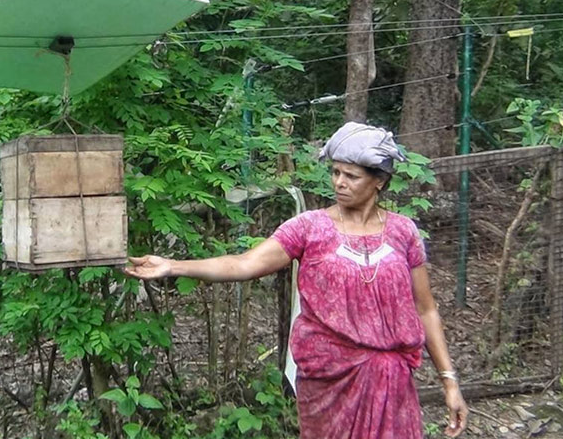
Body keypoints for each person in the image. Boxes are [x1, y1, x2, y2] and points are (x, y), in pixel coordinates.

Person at [125, 122, 468, 439]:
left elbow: (426, 310)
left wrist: (449, 381)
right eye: (335, 172)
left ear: (379, 180)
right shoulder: (309, 228)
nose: (339, 182)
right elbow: (244, 264)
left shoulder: (403, 232)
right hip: (329, 381)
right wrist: (173, 266)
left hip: (390, 384)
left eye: (351, 175)